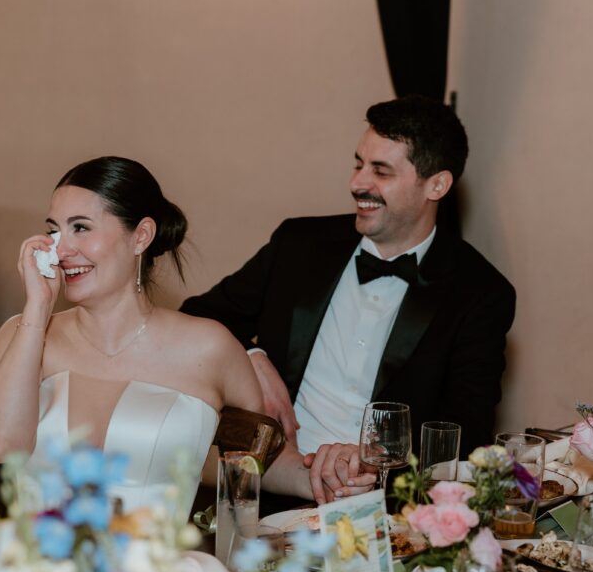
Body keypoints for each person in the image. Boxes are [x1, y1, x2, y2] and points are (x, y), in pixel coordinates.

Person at [0, 156, 372, 520]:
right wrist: (37, 311)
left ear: (141, 236)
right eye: (53, 231)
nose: (60, 250)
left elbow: (254, 460)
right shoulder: (22, 337)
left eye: (81, 228)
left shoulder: (209, 348)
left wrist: (320, 475)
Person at [181, 94, 516, 498]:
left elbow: (464, 433)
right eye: (359, 164)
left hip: (382, 503)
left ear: (437, 184)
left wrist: (372, 458)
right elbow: (197, 316)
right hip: (266, 485)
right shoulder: (299, 245)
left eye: (381, 171)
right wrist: (253, 359)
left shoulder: (480, 292)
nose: (357, 183)